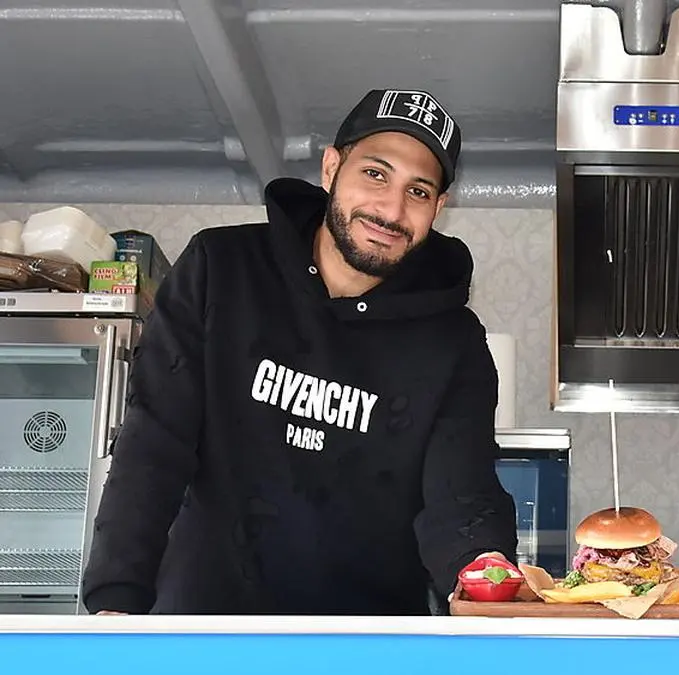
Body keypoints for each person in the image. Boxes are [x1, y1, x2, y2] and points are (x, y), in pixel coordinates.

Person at [80, 89, 518, 615]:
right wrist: (116, 601)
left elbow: (460, 493)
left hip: (367, 640)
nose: (391, 209)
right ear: (332, 168)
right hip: (205, 624)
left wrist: (486, 574)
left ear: (438, 208)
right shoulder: (220, 269)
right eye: (375, 174)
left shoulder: (454, 341)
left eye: (418, 191)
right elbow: (154, 443)